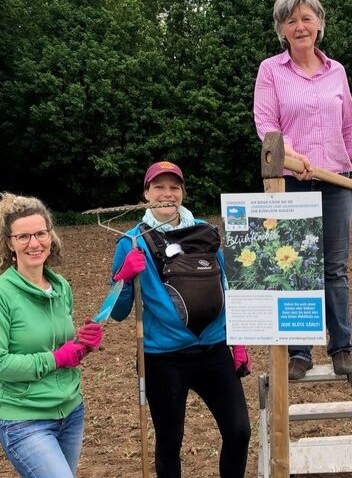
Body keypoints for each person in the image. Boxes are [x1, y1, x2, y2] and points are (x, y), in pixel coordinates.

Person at [254, 0, 352, 380]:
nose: (300, 26)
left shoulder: (336, 71)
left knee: (334, 269)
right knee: (294, 268)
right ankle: (300, 352)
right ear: (282, 30)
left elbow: (349, 124)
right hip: (289, 182)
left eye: (307, 18)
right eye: (292, 20)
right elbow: (266, 125)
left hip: (336, 181)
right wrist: (291, 155)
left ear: (319, 24)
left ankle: (342, 347)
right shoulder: (271, 71)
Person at [109, 161, 251, 478]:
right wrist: (124, 276)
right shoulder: (130, 242)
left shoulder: (206, 231)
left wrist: (237, 341)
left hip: (214, 351)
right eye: (159, 187)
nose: (167, 194)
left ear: (182, 192)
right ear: (146, 193)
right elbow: (118, 312)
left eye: (174, 187)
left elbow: (228, 288)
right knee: (170, 443)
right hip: (163, 358)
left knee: (239, 432)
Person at [0, 193, 103, 477]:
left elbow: (61, 346)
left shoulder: (61, 287)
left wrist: (82, 344)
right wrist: (57, 358)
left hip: (71, 412)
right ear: (9, 243)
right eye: (23, 237)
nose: (34, 243)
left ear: (50, 236)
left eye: (40, 233)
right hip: (24, 419)